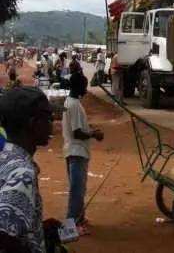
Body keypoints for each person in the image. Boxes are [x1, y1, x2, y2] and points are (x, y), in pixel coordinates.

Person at [0, 87, 62, 253]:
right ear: (32, 124)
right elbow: (3, 235)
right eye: (48, 118)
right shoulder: (23, 173)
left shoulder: (5, 156)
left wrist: (37, 229)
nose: (52, 123)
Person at [62, 72, 104, 235]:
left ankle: (79, 218)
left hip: (72, 150)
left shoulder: (70, 102)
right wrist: (94, 134)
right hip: (77, 151)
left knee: (79, 188)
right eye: (84, 86)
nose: (86, 89)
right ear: (78, 86)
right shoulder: (74, 105)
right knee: (77, 190)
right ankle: (71, 226)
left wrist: (91, 130)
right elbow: (77, 132)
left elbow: (79, 128)